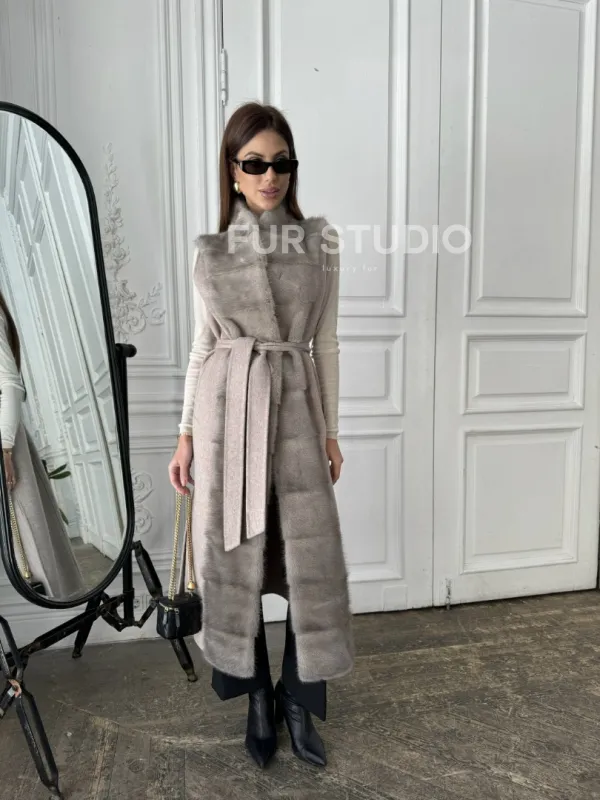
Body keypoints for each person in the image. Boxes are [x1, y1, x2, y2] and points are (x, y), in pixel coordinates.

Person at [169, 102, 354, 769]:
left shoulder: (320, 246)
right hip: (228, 416)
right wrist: (186, 434)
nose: (269, 176)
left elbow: (326, 343)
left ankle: (299, 701)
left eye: (281, 163)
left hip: (299, 415)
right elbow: (202, 347)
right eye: (254, 164)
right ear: (232, 170)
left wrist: (331, 433)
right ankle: (254, 699)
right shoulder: (211, 254)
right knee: (236, 557)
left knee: (308, 565)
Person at [0, 291, 85, 599]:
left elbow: (10, 383)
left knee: (29, 536)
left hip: (4, 440)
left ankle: (52, 599)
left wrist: (5, 447)